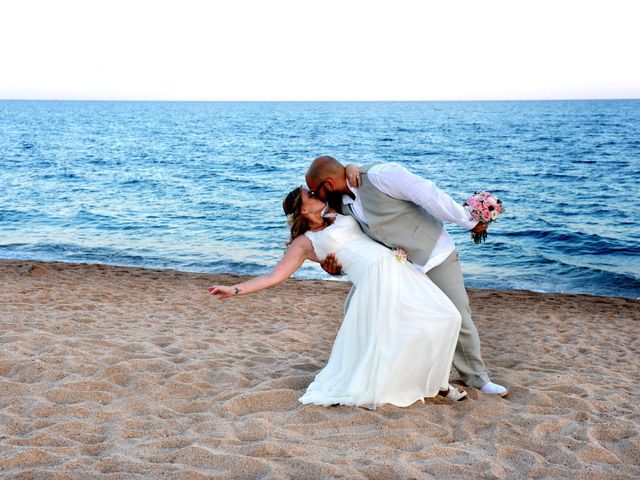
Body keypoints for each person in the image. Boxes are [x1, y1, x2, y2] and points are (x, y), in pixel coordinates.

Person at [209, 187, 467, 409]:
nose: (315, 193)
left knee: (448, 316)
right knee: (413, 328)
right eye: (309, 195)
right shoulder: (304, 243)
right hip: (376, 280)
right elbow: (275, 277)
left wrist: (354, 169)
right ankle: (438, 385)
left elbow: (345, 180)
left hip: (398, 266)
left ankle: (434, 381)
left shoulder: (335, 213)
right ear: (302, 210)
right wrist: (234, 290)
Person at [305, 156, 508, 397]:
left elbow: (428, 195)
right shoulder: (339, 204)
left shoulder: (382, 176)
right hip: (394, 267)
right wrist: (335, 268)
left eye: (314, 190)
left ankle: (477, 379)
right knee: (355, 309)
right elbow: (349, 243)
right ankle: (363, 372)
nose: (314, 195)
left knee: (458, 315)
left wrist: (468, 221)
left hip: (433, 254)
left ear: (328, 184)